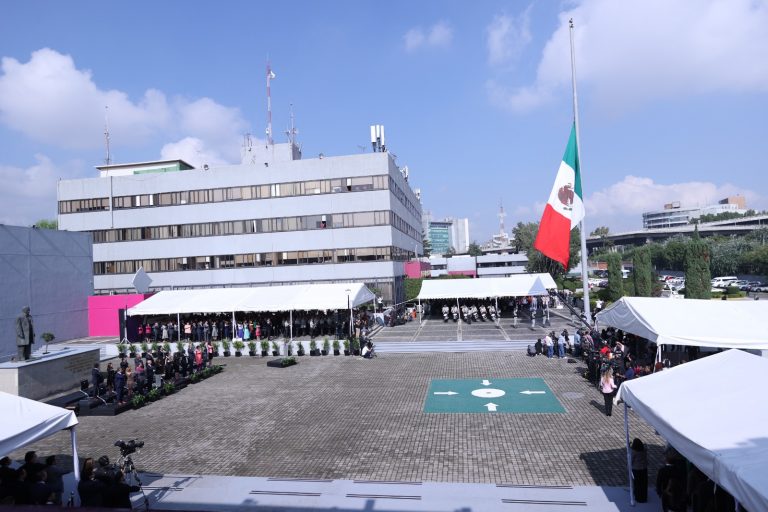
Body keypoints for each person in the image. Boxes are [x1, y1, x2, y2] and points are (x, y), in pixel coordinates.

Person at [630, 438, 648, 503]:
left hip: (636, 469)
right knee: (643, 483)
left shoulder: (634, 452)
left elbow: (631, 460)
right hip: (644, 468)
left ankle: (638, 497)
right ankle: (644, 497)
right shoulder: (644, 450)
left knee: (637, 483)